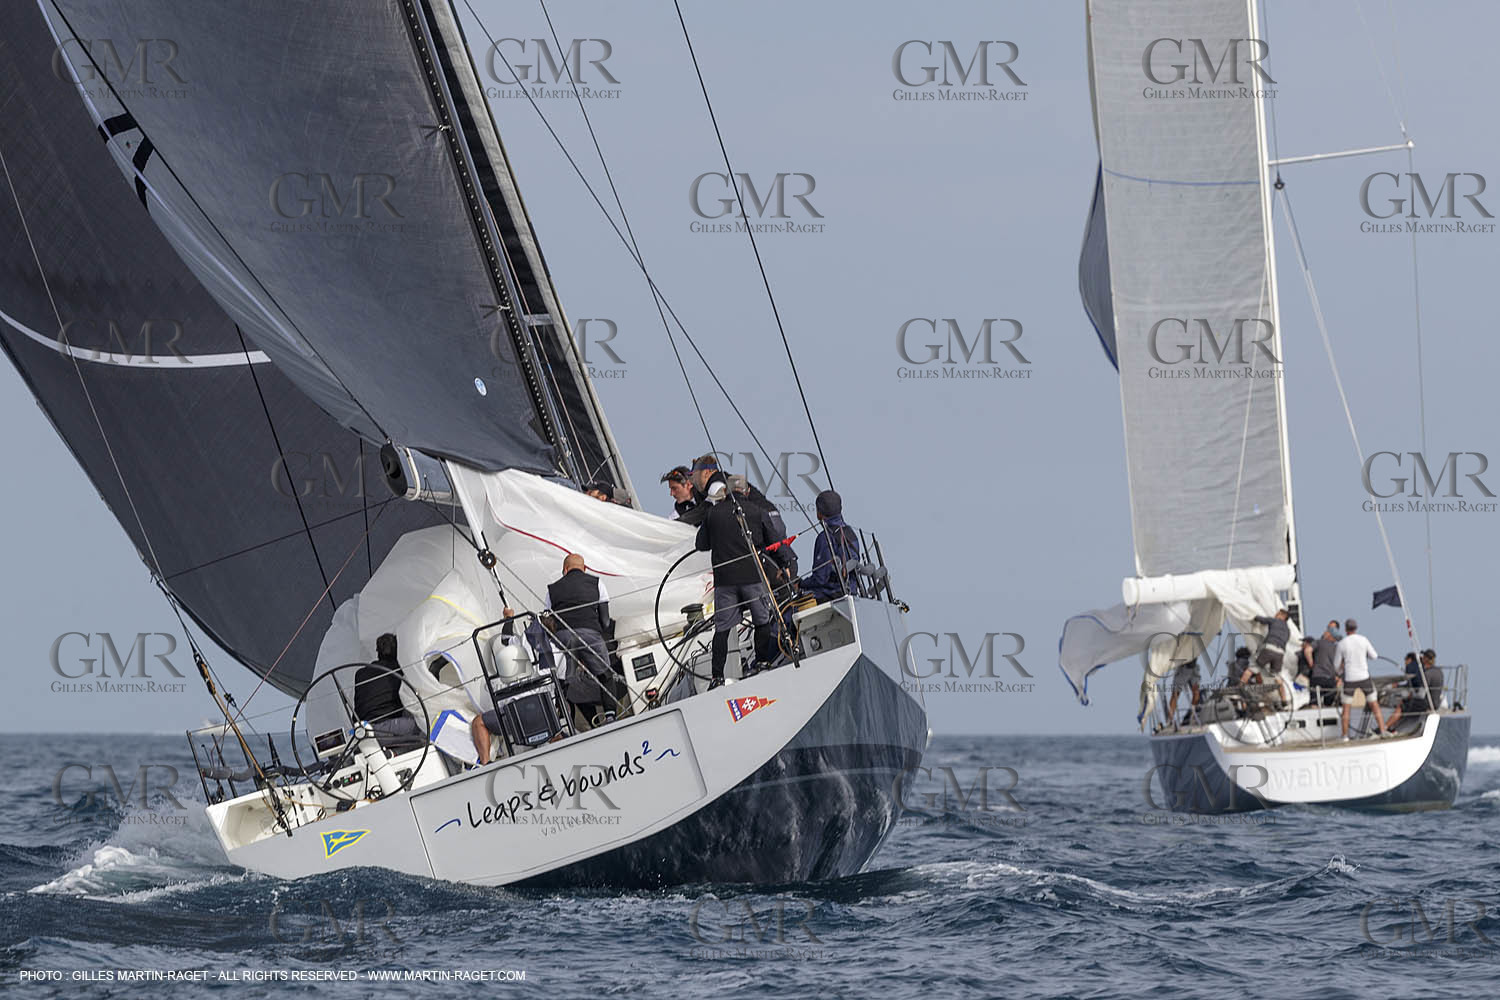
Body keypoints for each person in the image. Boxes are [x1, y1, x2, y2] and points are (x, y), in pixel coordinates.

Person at [695, 476, 776, 689]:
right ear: (746, 491)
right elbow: (773, 542)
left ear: (725, 492)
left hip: (725, 581)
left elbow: (701, 544)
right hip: (752, 578)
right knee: (762, 620)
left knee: (722, 629)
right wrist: (785, 563)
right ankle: (762, 663)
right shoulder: (757, 511)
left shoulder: (713, 514)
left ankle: (717, 677)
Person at [468, 607, 559, 765]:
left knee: (479, 722)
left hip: (516, 717)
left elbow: (506, 638)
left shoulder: (521, 643)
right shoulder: (556, 651)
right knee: (559, 716)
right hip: (546, 715)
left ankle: (485, 765)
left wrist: (508, 618)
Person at [544, 553, 615, 729]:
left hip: (563, 638)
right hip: (590, 634)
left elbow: (548, 623)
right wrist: (594, 631)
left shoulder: (552, 589)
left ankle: (563, 721)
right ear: (584, 568)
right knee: (605, 675)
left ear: (565, 569)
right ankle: (610, 716)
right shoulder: (597, 583)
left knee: (563, 680)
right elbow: (606, 621)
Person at [354, 633, 424, 752]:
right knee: (424, 726)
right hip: (387, 729)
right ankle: (395, 753)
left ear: (378, 652)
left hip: (364, 731)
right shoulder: (400, 670)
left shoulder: (360, 674)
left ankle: (392, 753)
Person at [800, 489, 861, 601]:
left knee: (790, 610)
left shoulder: (825, 538)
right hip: (852, 592)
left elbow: (820, 579)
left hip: (831, 595)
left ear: (819, 514)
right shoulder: (851, 532)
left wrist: (800, 584)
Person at [1334, 617, 1390, 739]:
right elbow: (1374, 656)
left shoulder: (1342, 643)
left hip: (1349, 678)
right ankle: (1383, 731)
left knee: (1346, 708)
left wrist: (1340, 672)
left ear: (1345, 629)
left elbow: (1336, 665)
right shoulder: (1363, 640)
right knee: (1374, 705)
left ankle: (1345, 736)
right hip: (1364, 677)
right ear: (1356, 628)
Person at [1385, 649, 1444, 730]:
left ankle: (1385, 727)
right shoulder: (1439, 672)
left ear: (1425, 659)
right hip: (1436, 704)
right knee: (1407, 702)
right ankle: (1394, 727)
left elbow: (1421, 694)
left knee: (1402, 705)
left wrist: (1410, 695)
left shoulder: (1427, 674)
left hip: (1428, 704)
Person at [1252, 609, 1292, 676]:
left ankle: (1242, 682)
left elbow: (1262, 619)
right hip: (1280, 653)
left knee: (1253, 668)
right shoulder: (1288, 630)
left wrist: (1252, 615)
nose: (1275, 615)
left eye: (1277, 614)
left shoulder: (1274, 620)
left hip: (1270, 648)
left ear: (1283, 616)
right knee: (1275, 675)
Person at [1311, 622, 1340, 706]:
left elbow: (1307, 650)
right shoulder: (1337, 648)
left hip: (1318, 677)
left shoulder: (1318, 642)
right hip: (1330, 679)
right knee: (1328, 705)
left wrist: (1311, 665)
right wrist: (1339, 676)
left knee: (1315, 703)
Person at [1166, 656, 1201, 726]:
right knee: (1176, 694)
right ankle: (1170, 720)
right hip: (1182, 669)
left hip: (1194, 668)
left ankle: (1193, 715)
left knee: (1196, 693)